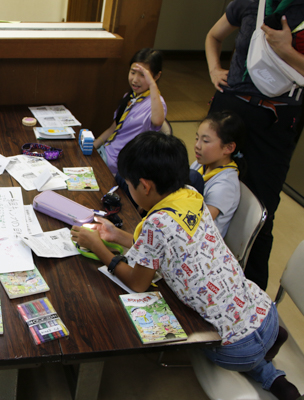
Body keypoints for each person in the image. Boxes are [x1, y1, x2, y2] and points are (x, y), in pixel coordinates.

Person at [71, 132, 300, 400]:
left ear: (144, 186)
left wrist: (98, 247)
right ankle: (272, 374)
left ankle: (253, 355)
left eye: (130, 186)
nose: (130, 192)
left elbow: (137, 282)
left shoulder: (156, 224)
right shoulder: (191, 194)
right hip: (265, 312)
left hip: (234, 350)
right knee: (235, 324)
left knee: (183, 321)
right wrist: (116, 236)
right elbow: (165, 245)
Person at [205, 0, 304, 289]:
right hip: (230, 108)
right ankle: (200, 269)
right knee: (204, 184)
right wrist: (214, 70)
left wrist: (287, 51)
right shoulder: (250, 2)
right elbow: (214, 35)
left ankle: (253, 298)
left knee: (262, 208)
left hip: (275, 120)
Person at [93, 48, 167, 175]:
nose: (135, 79)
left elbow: (158, 120)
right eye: (133, 72)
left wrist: (153, 85)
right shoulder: (130, 96)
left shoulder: (157, 103)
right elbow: (113, 129)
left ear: (156, 76)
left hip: (120, 165)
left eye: (143, 75)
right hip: (105, 153)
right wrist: (93, 146)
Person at [191, 110, 246, 237]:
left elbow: (199, 224)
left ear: (228, 148)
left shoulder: (225, 185)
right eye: (197, 138)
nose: (197, 146)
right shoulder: (201, 164)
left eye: (205, 141)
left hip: (200, 242)